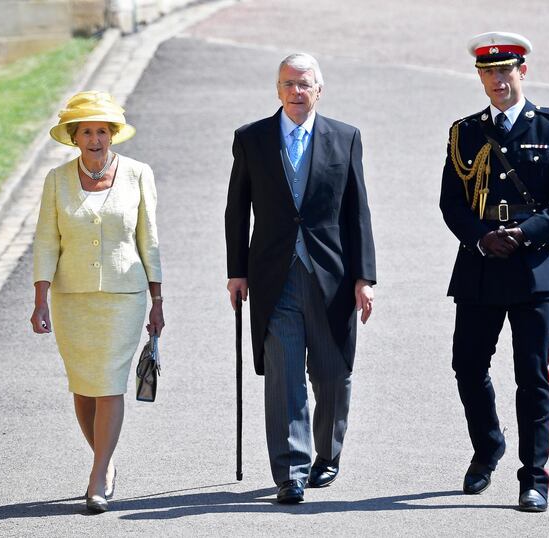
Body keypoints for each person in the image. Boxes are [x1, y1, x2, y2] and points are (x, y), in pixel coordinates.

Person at [439, 32, 549, 512]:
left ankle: (534, 476)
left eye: (505, 71)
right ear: (479, 77)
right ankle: (487, 448)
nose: (498, 80)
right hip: (480, 266)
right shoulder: (465, 132)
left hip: (533, 269)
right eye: (488, 72)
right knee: (467, 367)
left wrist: (522, 235)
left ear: (523, 71)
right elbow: (451, 202)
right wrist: (482, 237)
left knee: (532, 376)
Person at [225, 53, 377, 504]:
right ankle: (290, 471)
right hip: (274, 276)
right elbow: (237, 209)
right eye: (288, 84)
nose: (296, 91)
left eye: (304, 84)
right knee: (284, 374)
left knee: (332, 374)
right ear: (277, 89)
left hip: (331, 276)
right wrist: (236, 271)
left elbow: (358, 212)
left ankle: (326, 457)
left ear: (319, 90)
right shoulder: (251, 139)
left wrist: (364, 278)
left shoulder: (345, 138)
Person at [30, 90, 164, 514]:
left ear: (113, 134)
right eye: (86, 131)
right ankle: (103, 460)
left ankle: (98, 474)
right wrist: (40, 298)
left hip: (124, 296)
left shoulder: (138, 174)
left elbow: (150, 239)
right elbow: (46, 240)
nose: (95, 138)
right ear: (74, 136)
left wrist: (157, 299)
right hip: (71, 297)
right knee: (83, 387)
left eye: (102, 131)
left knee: (109, 383)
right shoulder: (56, 179)